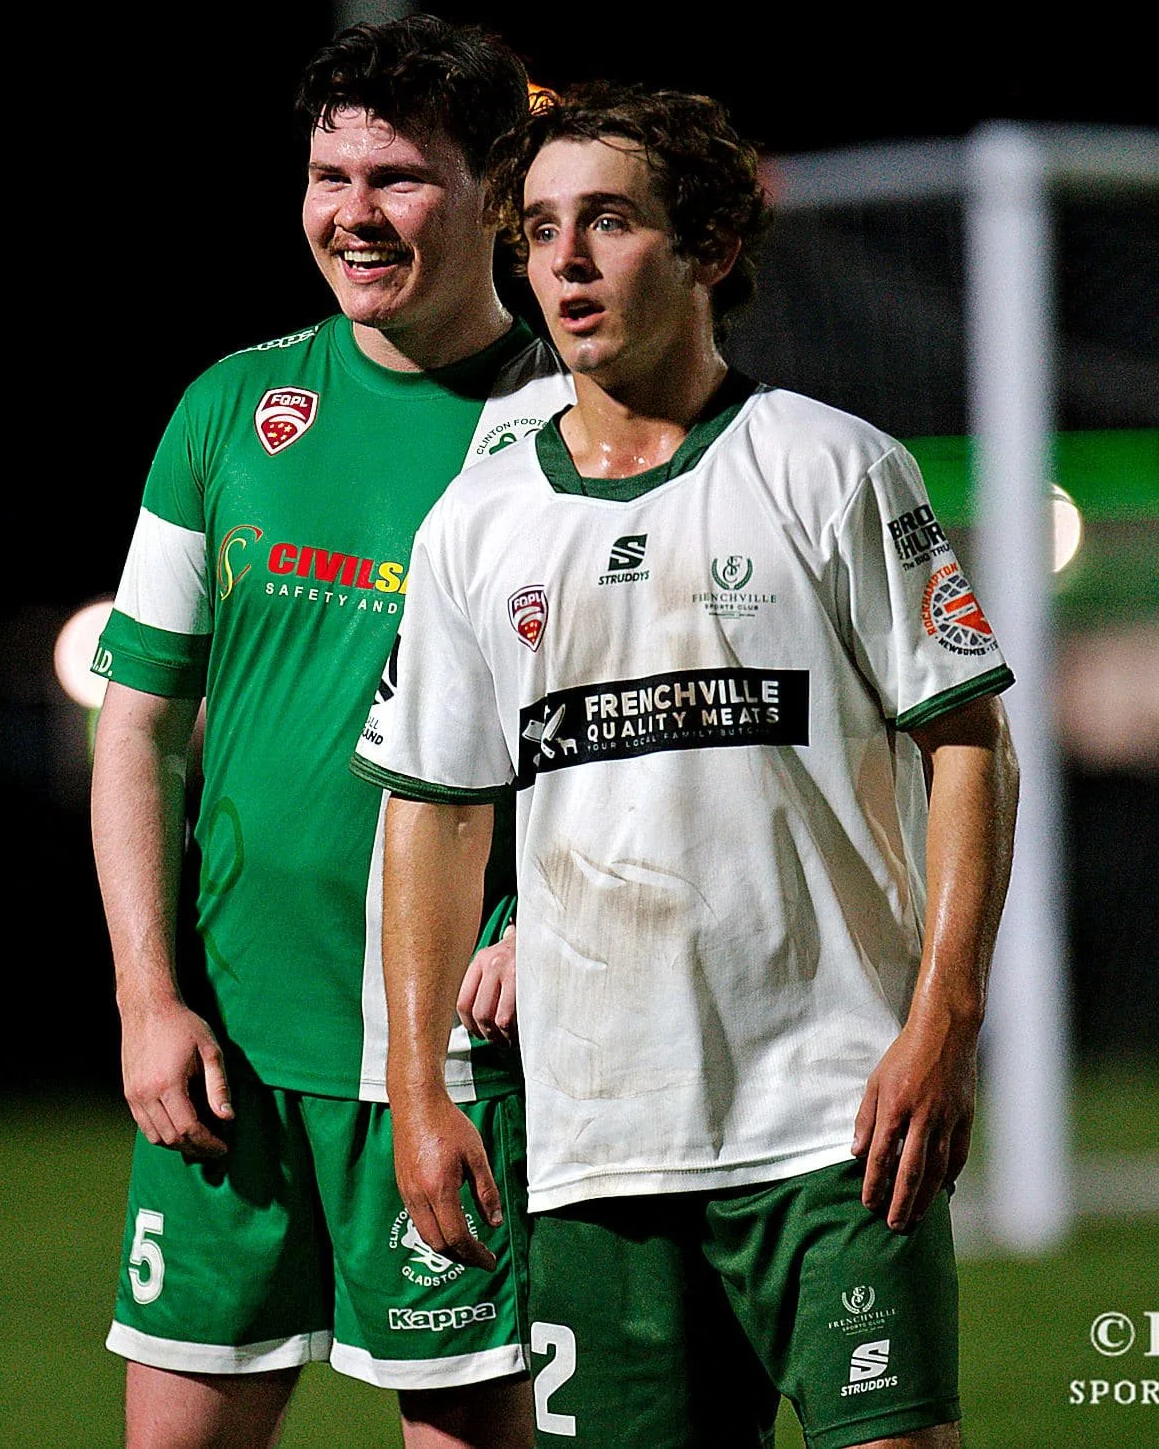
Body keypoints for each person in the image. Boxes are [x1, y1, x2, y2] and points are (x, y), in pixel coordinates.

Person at [354, 84, 1020, 1449]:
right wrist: (419, 1089)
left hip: (839, 1119)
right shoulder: (474, 527)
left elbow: (971, 745)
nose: (568, 261)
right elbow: (430, 823)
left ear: (709, 244)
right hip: (597, 1137)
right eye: (540, 230)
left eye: (609, 220)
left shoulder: (832, 468)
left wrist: (943, 1021)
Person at [90, 15, 570, 1449]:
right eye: (327, 175)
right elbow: (137, 726)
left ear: (497, 185)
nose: (352, 214)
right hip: (227, 1053)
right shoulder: (233, 409)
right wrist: (144, 994)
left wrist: (541, 910)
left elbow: (625, 742)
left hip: (452, 1069)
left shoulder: (570, 430)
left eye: (399, 178)